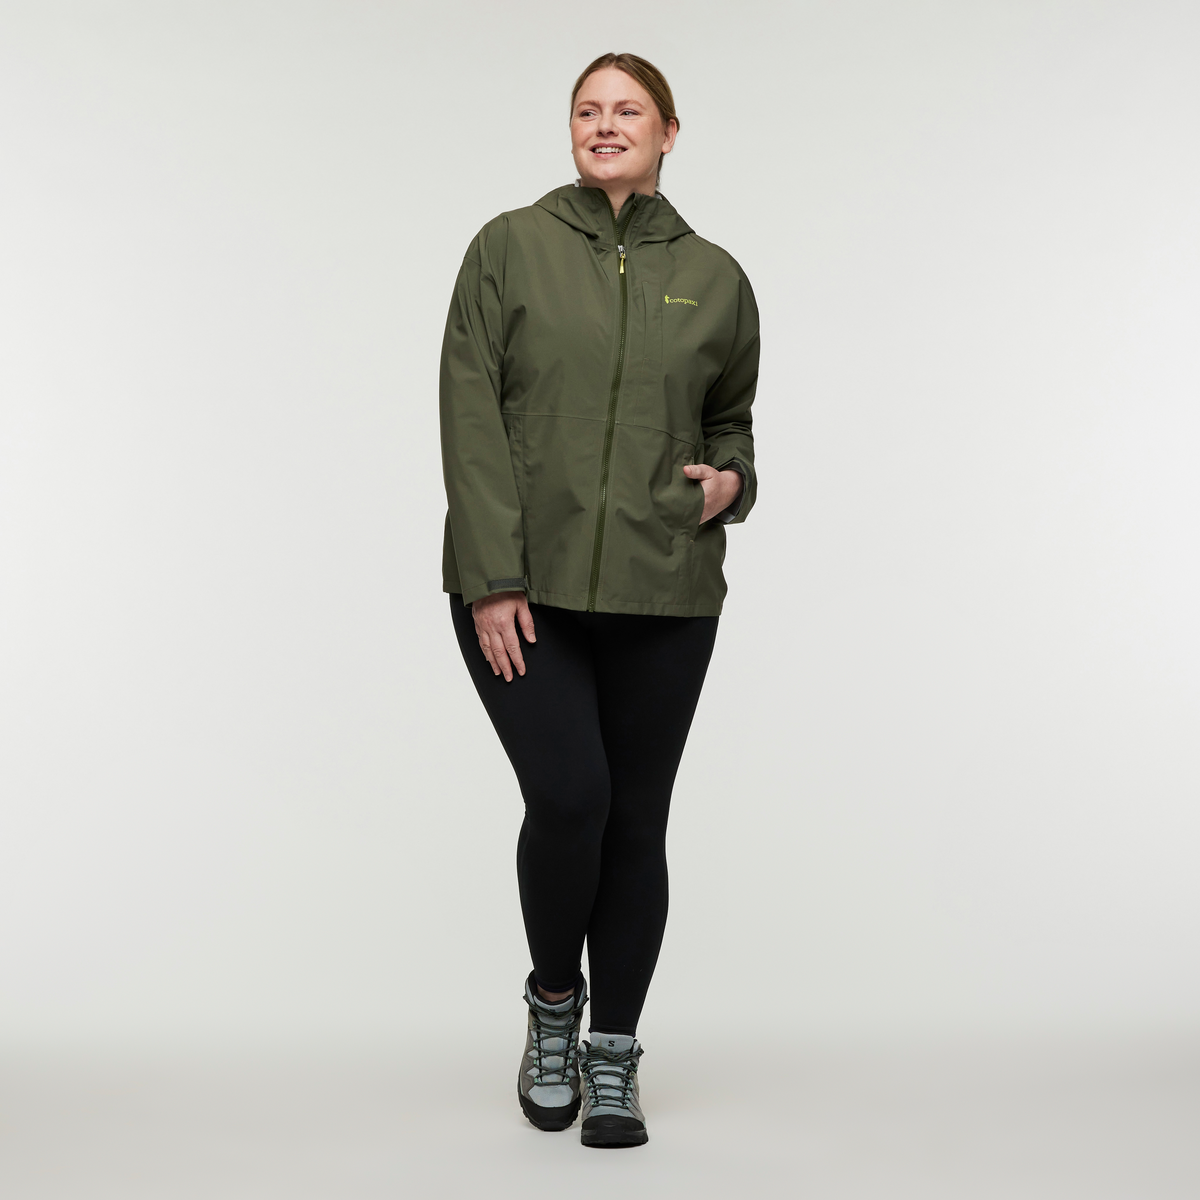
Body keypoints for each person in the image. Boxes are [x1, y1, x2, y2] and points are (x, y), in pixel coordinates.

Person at [439, 51, 759, 1149]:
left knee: (636, 820)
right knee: (571, 797)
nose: (605, 124)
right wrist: (491, 578)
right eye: (588, 109)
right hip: (524, 590)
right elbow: (470, 412)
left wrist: (732, 480)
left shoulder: (716, 276)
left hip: (665, 587)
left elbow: (731, 421)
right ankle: (552, 1005)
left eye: (628, 110)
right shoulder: (508, 247)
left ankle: (612, 1051)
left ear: (669, 131)